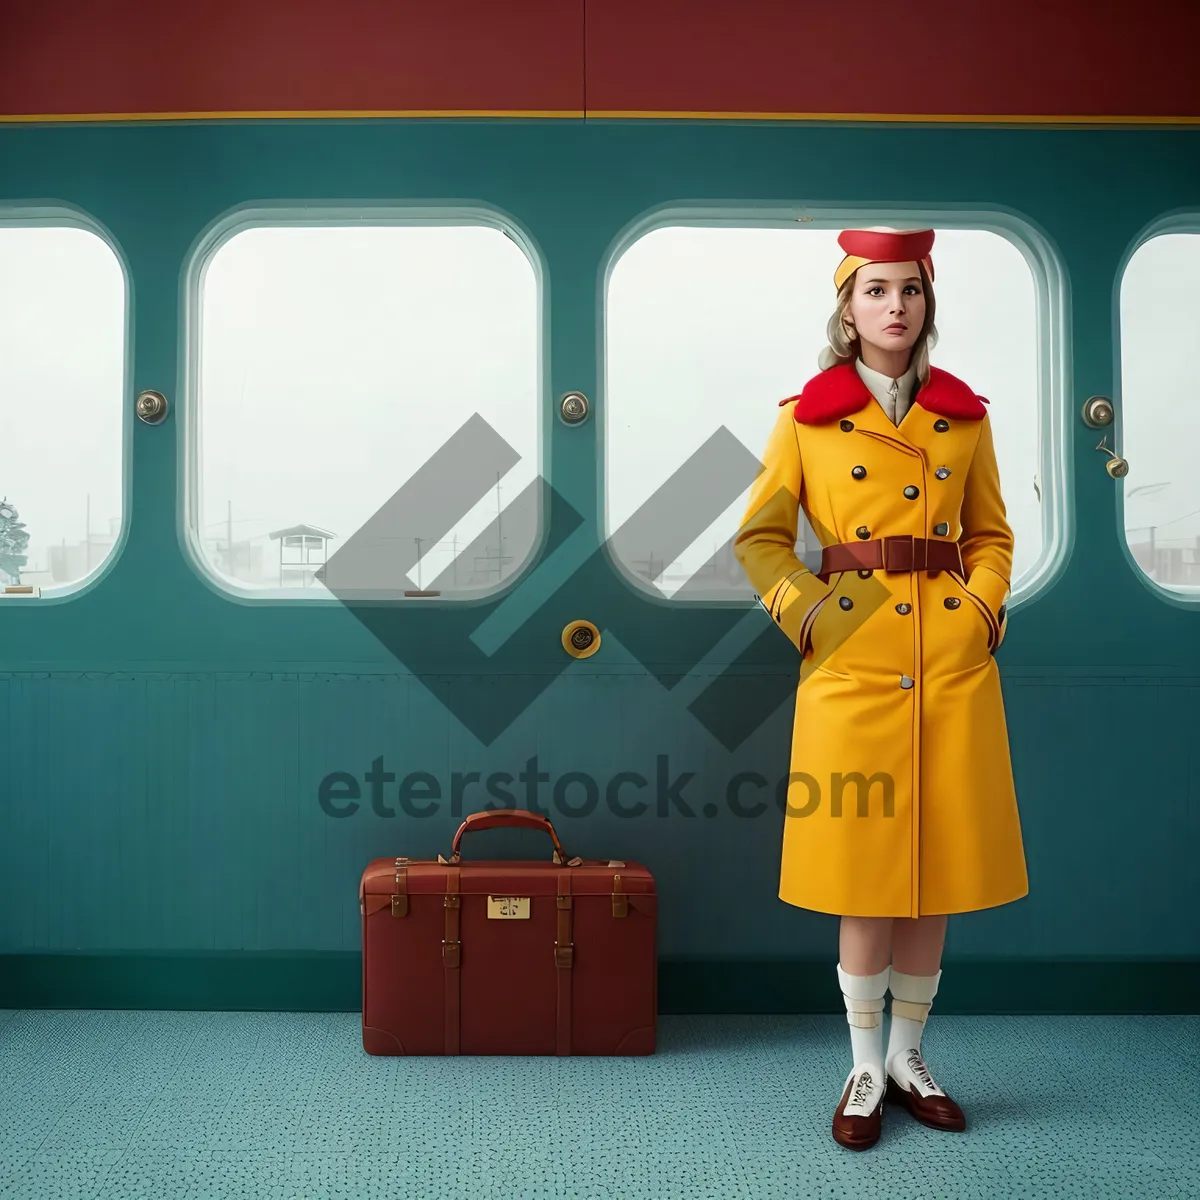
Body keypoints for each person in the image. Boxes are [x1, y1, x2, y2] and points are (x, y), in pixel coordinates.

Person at [733, 227, 1028, 1150]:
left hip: (947, 661)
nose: (895, 307)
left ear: (927, 304)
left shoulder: (965, 417)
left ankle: (910, 1056)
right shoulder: (805, 418)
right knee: (865, 877)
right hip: (854, 658)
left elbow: (993, 536)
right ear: (848, 308)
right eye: (876, 291)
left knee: (933, 873)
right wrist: (812, 618)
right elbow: (760, 539)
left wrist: (981, 613)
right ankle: (863, 1067)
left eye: (910, 290)